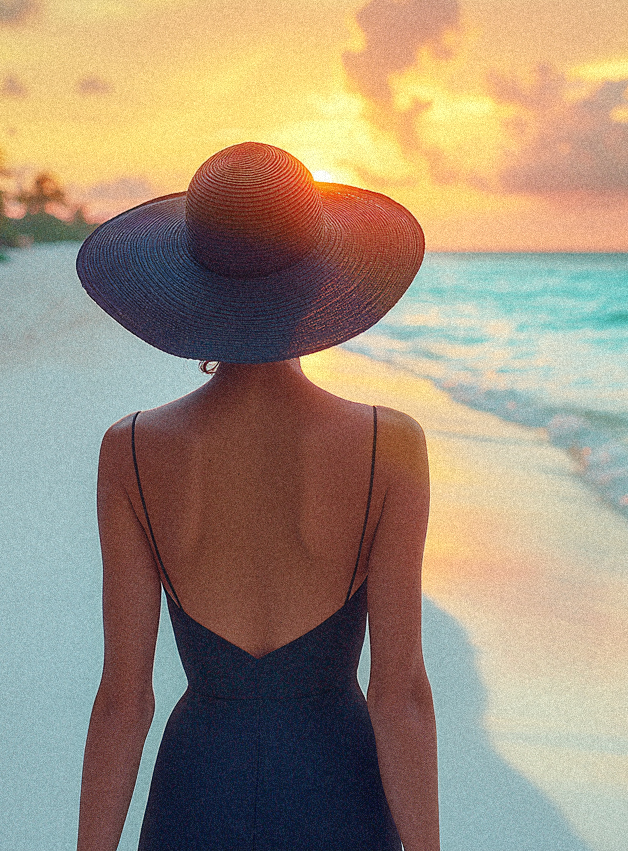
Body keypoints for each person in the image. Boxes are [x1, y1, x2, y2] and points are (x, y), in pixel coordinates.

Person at [74, 142, 439, 851]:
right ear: (316, 284)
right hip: (340, 790)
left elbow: (124, 700)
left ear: (191, 290)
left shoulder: (133, 448)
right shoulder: (389, 445)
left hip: (196, 789)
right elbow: (399, 696)